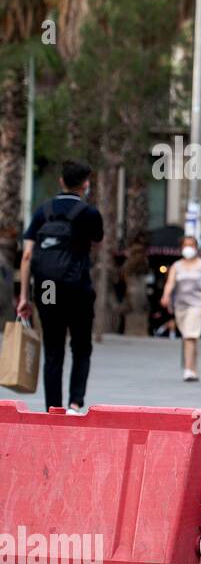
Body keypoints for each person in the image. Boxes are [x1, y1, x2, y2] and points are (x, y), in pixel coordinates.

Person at [16, 160, 104, 413]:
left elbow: (27, 256)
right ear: (85, 184)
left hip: (47, 289)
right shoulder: (89, 214)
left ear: (61, 181)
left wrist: (24, 297)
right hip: (77, 286)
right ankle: (75, 403)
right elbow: (97, 241)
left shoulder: (43, 211)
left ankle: (53, 408)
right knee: (80, 346)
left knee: (53, 349)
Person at [159, 234, 201, 382]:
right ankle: (193, 368)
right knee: (190, 337)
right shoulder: (176, 266)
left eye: (191, 245)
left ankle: (188, 369)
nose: (188, 248)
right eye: (186, 245)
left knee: (189, 336)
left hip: (198, 304)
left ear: (196, 248)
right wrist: (166, 296)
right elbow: (170, 283)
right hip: (180, 305)